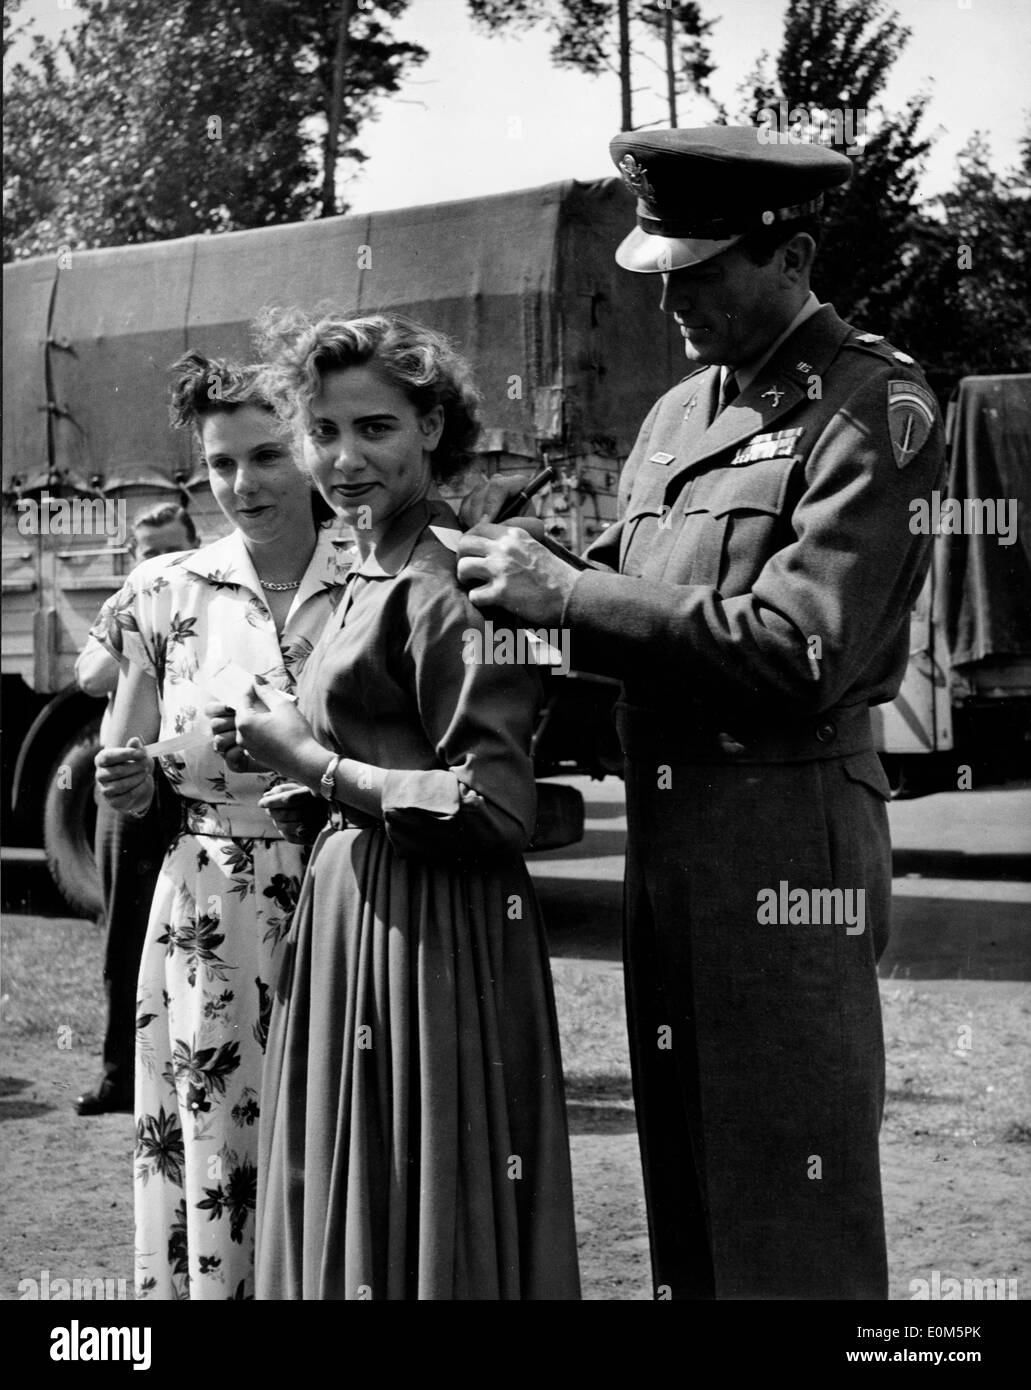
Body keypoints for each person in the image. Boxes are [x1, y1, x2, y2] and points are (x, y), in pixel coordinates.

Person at [455, 127, 947, 1300]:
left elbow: (796, 651)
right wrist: (503, 584)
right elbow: (627, 603)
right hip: (672, 844)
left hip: (784, 843)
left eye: (701, 267)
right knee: (687, 1177)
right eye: (659, 268)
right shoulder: (679, 413)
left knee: (786, 1187)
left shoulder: (871, 408)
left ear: (793, 256)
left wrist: (570, 590)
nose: (669, 294)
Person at [213, 310, 580, 1300]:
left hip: (431, 940)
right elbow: (387, 752)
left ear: (431, 428)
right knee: (359, 1197)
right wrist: (310, 782)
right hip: (355, 918)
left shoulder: (450, 576)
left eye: (373, 428)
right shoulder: (366, 563)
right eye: (322, 432)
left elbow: (494, 805)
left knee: (424, 1206)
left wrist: (317, 766)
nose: (342, 457)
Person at [92, 352, 349, 1299]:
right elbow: (131, 749)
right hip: (210, 910)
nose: (244, 484)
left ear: (313, 450)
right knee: (219, 1143)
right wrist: (128, 781)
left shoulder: (376, 572)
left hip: (350, 895)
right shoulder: (163, 590)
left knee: (335, 1135)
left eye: (269, 455)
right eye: (221, 463)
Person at [74, 505, 199, 1117]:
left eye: (171, 548)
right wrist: (136, 611)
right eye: (147, 550)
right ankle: (119, 1075)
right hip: (126, 785)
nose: (159, 560)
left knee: (191, 931)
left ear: (195, 545)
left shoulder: (208, 599)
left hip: (181, 780)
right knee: (124, 933)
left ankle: (183, 1070)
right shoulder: (132, 599)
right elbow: (88, 677)